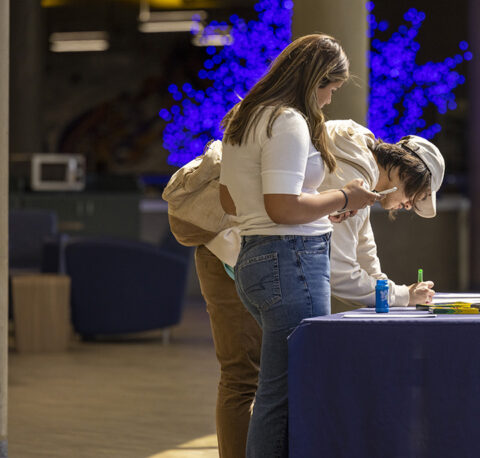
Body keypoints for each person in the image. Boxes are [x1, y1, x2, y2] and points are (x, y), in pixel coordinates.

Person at [218, 34, 380, 457]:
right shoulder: (286, 121)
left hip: (256, 258)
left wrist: (324, 211)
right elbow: (283, 208)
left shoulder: (243, 117)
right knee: (287, 394)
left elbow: (230, 200)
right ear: (313, 80)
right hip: (291, 262)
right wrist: (346, 197)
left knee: (278, 390)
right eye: (330, 88)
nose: (328, 101)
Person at [162, 140, 261, 458]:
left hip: (219, 254)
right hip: (233, 258)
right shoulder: (260, 142)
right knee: (241, 376)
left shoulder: (234, 144)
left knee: (240, 375)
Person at [321, 120, 443, 310]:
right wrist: (404, 295)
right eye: (415, 196)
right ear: (407, 174)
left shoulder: (365, 175)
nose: (409, 206)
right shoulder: (354, 177)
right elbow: (341, 275)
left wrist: (399, 294)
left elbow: (367, 261)